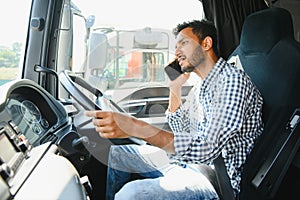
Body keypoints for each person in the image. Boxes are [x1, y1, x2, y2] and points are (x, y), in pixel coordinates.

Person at [86, 19, 263, 200]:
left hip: (214, 179)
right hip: (186, 162)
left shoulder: (232, 82)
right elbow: (180, 129)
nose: (177, 52)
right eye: (176, 46)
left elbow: (206, 149)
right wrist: (175, 88)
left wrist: (135, 127)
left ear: (206, 44)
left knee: (131, 194)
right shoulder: (201, 87)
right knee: (119, 154)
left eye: (184, 43)